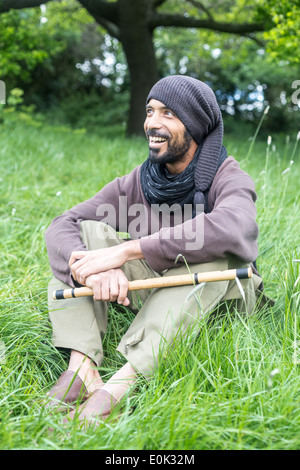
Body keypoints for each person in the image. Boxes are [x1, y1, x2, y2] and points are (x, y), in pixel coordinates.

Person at [44, 75, 263, 426]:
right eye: (150, 111)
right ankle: (82, 366)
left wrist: (129, 251)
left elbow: (236, 228)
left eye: (169, 114)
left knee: (216, 253)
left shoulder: (228, 176)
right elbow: (63, 224)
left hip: (219, 303)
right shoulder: (142, 180)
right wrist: (101, 267)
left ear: (195, 125)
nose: (152, 124)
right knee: (86, 234)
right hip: (161, 288)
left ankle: (119, 386)